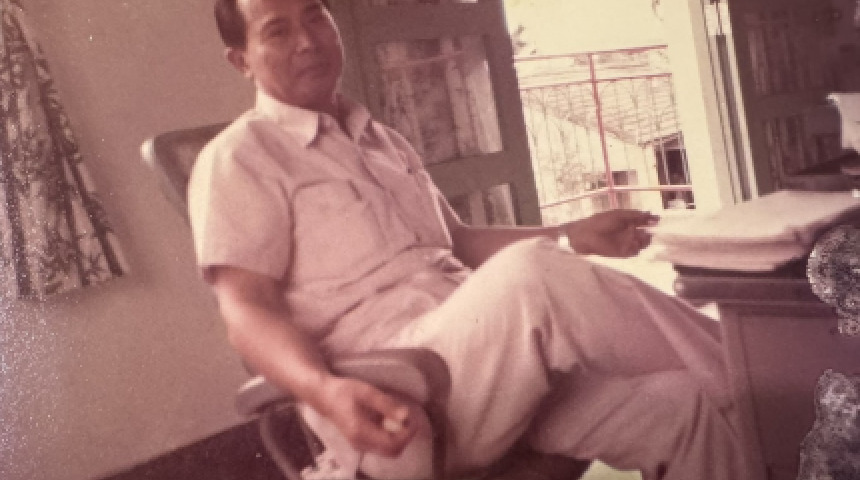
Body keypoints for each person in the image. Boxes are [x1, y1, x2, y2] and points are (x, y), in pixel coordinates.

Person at [189, 0, 751, 478]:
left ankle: (748, 384)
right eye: (277, 31)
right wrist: (324, 391)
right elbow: (245, 310)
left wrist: (572, 235)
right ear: (241, 60)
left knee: (685, 406)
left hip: (484, 370)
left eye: (315, 16)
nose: (308, 41)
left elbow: (454, 241)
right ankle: (759, 372)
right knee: (532, 273)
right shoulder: (241, 158)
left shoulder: (379, 139)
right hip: (398, 398)